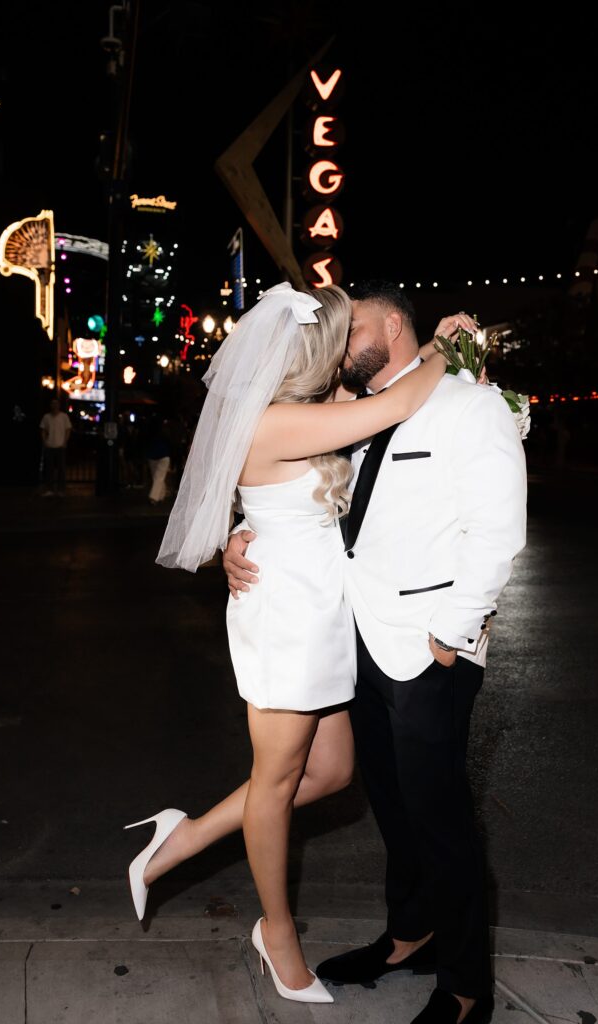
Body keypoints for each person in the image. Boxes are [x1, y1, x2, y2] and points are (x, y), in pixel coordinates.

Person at [123, 282, 448, 1005]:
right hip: (285, 621)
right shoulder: (271, 423)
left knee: (330, 774)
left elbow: (385, 390)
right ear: (315, 351)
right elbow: (396, 403)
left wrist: (424, 346)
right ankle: (277, 932)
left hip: (318, 614)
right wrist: (447, 350)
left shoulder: (311, 411)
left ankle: (184, 836)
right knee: (274, 784)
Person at [224, 282, 528, 1024]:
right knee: (391, 807)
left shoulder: (467, 404)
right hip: (352, 641)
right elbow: (304, 503)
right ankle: (408, 934)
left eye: (349, 324)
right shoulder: (342, 416)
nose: (335, 343)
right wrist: (242, 534)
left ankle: (462, 988)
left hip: (427, 652)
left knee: (440, 817)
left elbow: (496, 533)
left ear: (392, 324)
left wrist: (448, 639)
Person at [39, 397, 71, 496]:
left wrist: (65, 441)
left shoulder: (64, 416)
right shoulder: (46, 417)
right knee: (49, 468)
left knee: (61, 469)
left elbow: (68, 429)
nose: (54, 405)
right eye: (53, 404)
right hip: (50, 445)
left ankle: (61, 490)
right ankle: (50, 489)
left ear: (59, 405)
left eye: (56, 404)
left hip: (60, 445)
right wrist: (45, 441)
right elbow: (43, 429)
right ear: (50, 405)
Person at [145, 418, 171, 504]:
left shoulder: (149, 432)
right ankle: (159, 495)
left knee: (157, 477)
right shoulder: (165, 432)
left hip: (153, 456)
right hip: (163, 455)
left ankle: (155, 497)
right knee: (159, 477)